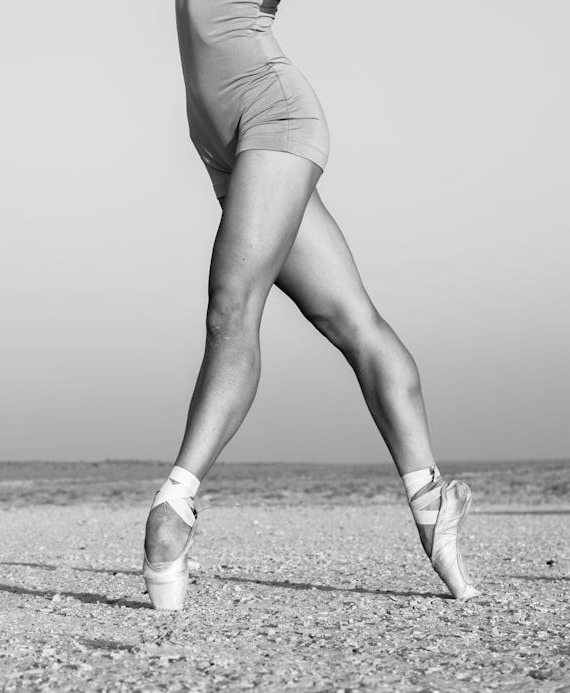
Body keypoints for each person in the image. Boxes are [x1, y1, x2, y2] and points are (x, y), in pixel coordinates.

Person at [142, 0, 478, 610]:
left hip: (270, 112)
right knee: (351, 321)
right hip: (223, 137)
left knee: (231, 308)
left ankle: (174, 507)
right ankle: (432, 506)